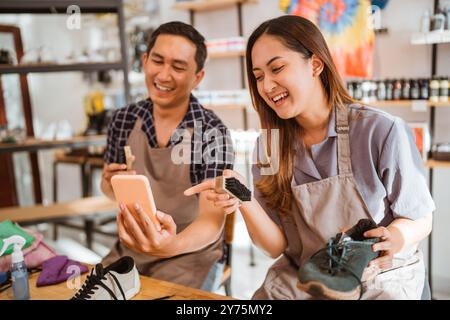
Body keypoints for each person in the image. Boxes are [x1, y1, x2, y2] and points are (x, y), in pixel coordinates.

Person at [185, 15, 434, 299]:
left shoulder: (380, 130)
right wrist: (243, 198)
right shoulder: (269, 147)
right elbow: (275, 246)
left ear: (315, 64)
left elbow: (421, 218)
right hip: (307, 278)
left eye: (276, 68)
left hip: (379, 275)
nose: (266, 86)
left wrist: (397, 237)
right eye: (258, 76)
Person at [100, 21, 234, 290]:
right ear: (145, 60)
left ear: (197, 77)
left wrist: (171, 245)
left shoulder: (212, 132)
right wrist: (109, 182)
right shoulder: (124, 120)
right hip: (131, 250)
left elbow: (212, 220)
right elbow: (109, 189)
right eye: (158, 61)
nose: (163, 75)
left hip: (190, 255)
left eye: (178, 67)